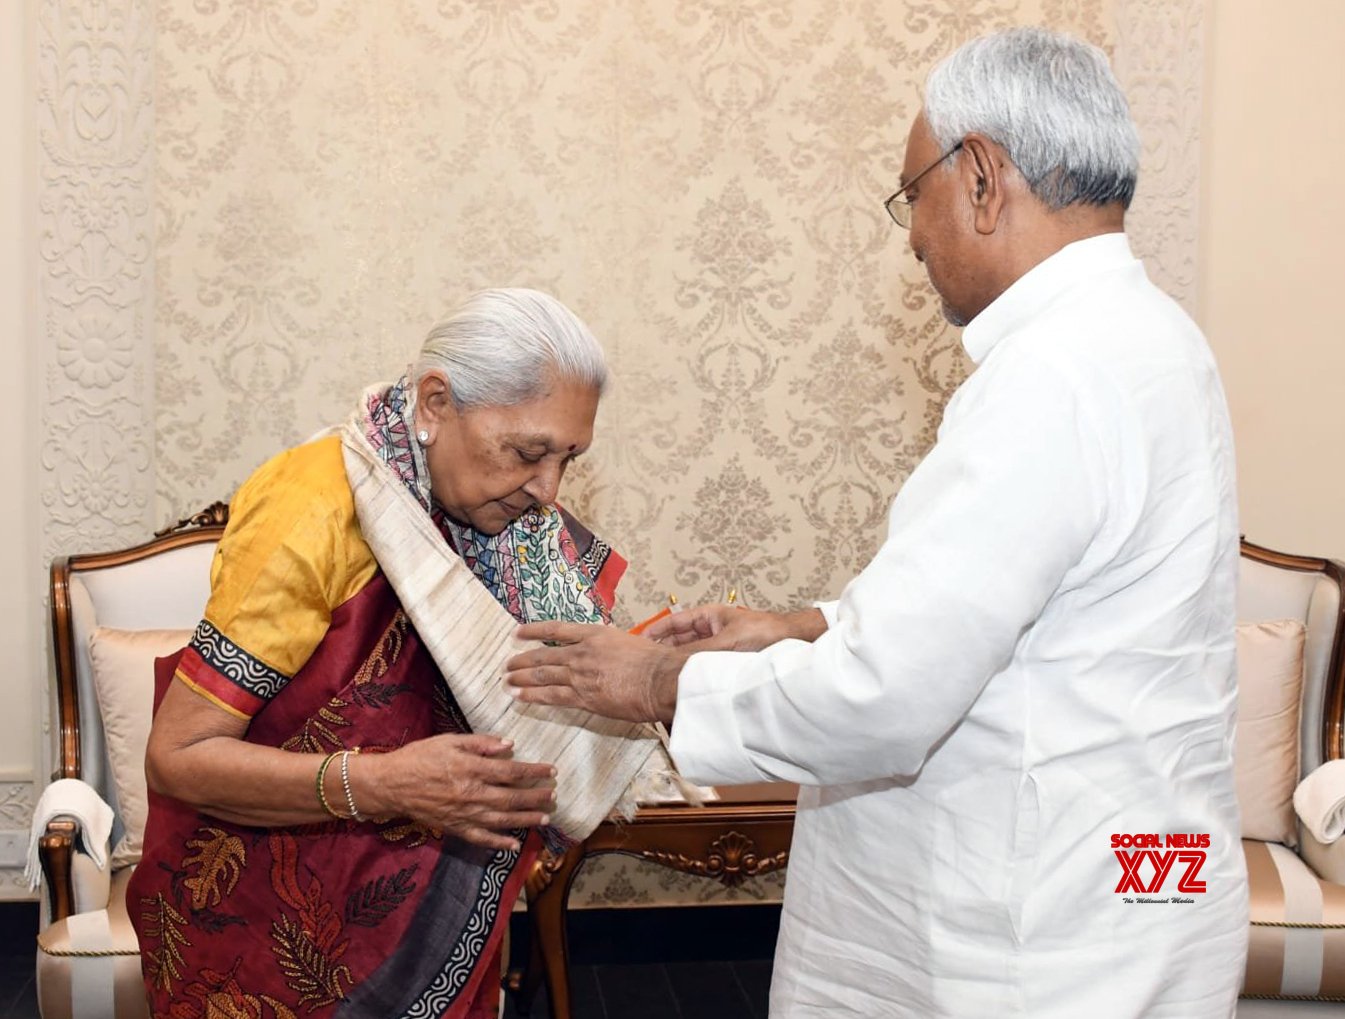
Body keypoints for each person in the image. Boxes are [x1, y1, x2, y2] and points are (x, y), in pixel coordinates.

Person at [504, 27, 1248, 1019]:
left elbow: (887, 694)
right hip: (1120, 883)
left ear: (982, 176)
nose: (911, 235)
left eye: (914, 192)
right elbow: (1032, 614)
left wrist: (651, 678)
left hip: (1036, 931)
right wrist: (802, 624)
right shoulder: (1149, 337)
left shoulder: (1055, 375)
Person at [129, 288, 635, 1018]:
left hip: (430, 912)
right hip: (263, 927)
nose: (548, 489)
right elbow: (179, 755)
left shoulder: (504, 530)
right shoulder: (315, 505)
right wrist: (385, 785)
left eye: (568, 458)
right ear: (435, 403)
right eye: (527, 451)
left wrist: (645, 666)